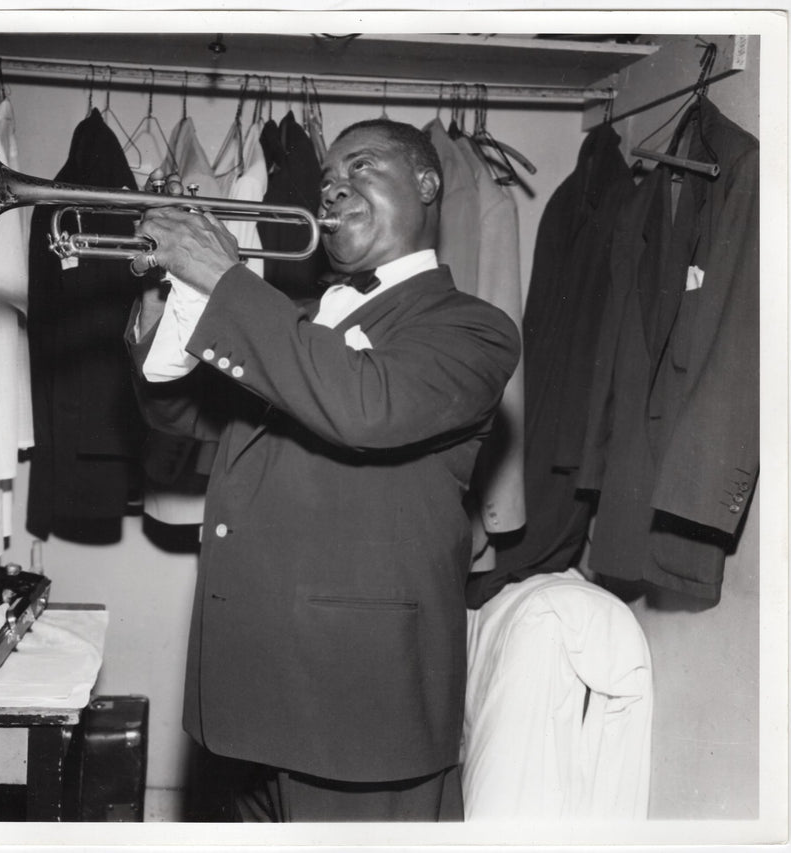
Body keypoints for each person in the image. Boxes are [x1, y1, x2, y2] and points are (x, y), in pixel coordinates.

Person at [125, 119, 521, 821]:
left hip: (361, 711)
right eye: (328, 177)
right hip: (244, 703)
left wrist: (224, 279)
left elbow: (366, 405)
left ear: (426, 185)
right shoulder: (296, 319)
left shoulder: (473, 328)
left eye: (361, 165)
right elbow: (184, 420)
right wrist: (170, 295)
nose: (334, 185)